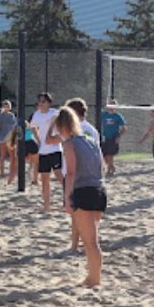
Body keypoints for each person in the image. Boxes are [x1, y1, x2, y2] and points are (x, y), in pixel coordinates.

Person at [56, 106, 107, 287]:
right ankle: (92, 277)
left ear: (62, 126)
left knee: (90, 242)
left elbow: (70, 172)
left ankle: (94, 279)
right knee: (92, 240)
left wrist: (67, 198)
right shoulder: (92, 141)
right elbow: (102, 167)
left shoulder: (69, 144)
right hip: (99, 190)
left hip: (83, 191)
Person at [46, 98, 100, 252]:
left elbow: (48, 140)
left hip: (75, 176)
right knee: (91, 216)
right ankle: (87, 243)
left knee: (76, 214)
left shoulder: (70, 130)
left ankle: (75, 245)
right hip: (93, 177)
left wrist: (52, 123)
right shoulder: (92, 130)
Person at [30, 92, 61, 212]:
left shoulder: (55, 113)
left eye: (43, 101)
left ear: (49, 103)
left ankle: (68, 201)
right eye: (39, 101)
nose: (41, 104)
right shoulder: (37, 115)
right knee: (44, 179)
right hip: (43, 151)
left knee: (59, 175)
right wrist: (38, 140)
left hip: (55, 149)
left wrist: (57, 138)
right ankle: (47, 205)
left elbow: (63, 127)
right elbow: (33, 127)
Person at [100, 99, 127, 176]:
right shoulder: (104, 114)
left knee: (110, 154)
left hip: (113, 137)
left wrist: (119, 137)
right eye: (110, 105)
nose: (111, 107)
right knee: (104, 155)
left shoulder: (118, 116)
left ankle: (109, 169)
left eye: (113, 105)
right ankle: (112, 166)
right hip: (105, 137)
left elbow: (124, 128)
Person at [0, 100, 17, 178]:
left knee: (13, 156)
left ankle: (11, 172)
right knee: (2, 156)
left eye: (8, 106)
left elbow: (14, 128)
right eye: (5, 106)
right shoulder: (0, 116)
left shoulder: (12, 116)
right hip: (2, 138)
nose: (7, 107)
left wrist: (15, 139)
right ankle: (2, 173)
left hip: (10, 138)